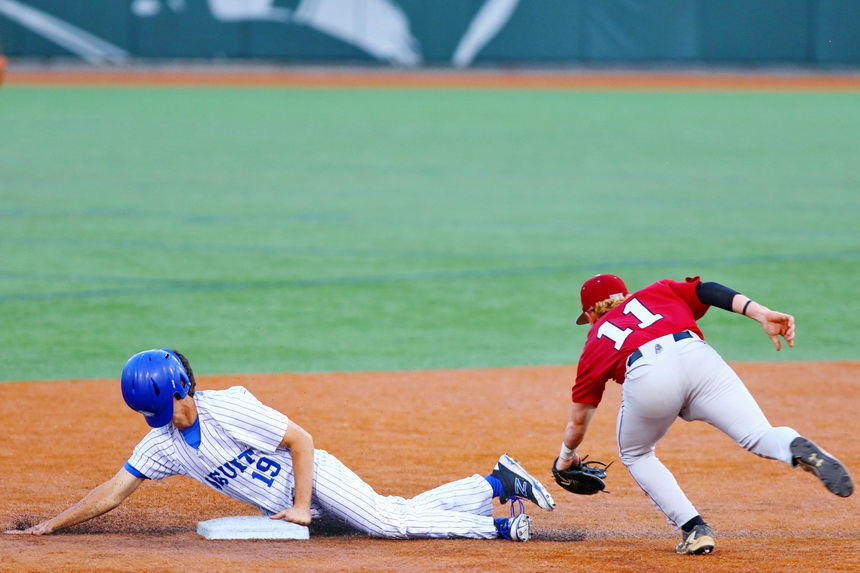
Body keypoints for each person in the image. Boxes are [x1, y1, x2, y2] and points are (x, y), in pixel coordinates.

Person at [6, 349, 555, 541]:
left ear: (181, 389)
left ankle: (500, 527)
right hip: (298, 502)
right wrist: (51, 525)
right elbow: (114, 490)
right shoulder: (162, 444)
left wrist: (299, 505)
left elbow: (301, 440)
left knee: (386, 523)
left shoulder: (230, 407)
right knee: (397, 511)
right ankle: (496, 482)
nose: (158, 421)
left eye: (161, 407)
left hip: (313, 477)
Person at [555, 274, 853, 555]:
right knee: (758, 434)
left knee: (636, 453)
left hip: (649, 376)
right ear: (626, 295)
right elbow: (707, 290)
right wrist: (761, 313)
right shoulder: (657, 291)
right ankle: (792, 445)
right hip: (698, 357)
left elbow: (578, 421)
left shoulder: (595, 341)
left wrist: (566, 457)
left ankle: (695, 529)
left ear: (591, 314)